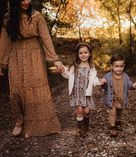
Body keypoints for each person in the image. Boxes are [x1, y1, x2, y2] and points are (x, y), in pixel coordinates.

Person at [0, 0, 63, 138]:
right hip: (15, 55)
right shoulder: (8, 17)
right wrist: (1, 63)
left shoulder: (37, 16)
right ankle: (19, 121)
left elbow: (46, 38)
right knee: (16, 90)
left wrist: (55, 59)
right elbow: (5, 41)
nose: (27, 1)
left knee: (35, 89)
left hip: (34, 54)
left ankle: (34, 125)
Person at [61, 42, 103, 137]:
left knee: (87, 111)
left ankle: (86, 124)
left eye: (85, 52)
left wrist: (99, 82)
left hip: (86, 93)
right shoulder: (74, 66)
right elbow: (68, 75)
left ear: (89, 53)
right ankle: (81, 128)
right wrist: (62, 70)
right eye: (81, 53)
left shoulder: (91, 67)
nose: (83, 55)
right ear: (77, 54)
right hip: (77, 93)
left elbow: (93, 79)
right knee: (80, 110)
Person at [101, 53, 136, 137]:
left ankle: (118, 121)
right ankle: (112, 127)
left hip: (121, 99)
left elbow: (129, 85)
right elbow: (104, 87)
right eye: (116, 66)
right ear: (112, 66)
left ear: (124, 66)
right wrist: (103, 83)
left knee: (120, 111)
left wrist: (133, 86)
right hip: (112, 99)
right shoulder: (108, 76)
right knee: (112, 113)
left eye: (121, 66)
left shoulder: (126, 76)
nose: (119, 69)